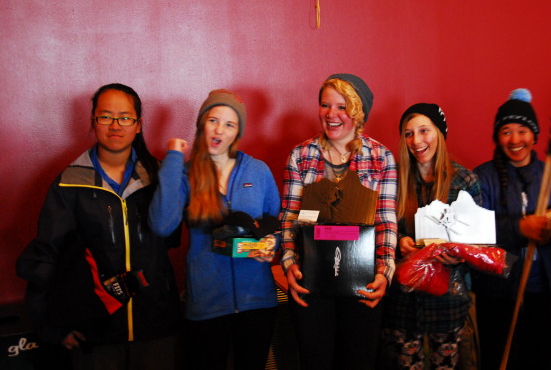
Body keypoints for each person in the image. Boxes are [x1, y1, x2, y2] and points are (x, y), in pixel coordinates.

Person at [16, 83, 181, 370]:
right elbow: (46, 255)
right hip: (95, 329)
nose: (115, 125)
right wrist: (52, 327)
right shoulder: (69, 183)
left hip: (157, 326)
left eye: (125, 117)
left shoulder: (160, 177)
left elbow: (171, 239)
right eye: (105, 116)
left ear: (138, 125)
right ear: (93, 121)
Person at [148, 89, 281, 370]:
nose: (219, 129)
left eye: (229, 124)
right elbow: (161, 224)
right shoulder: (185, 173)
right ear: (201, 125)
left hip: (257, 302)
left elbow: (276, 223)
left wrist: (271, 245)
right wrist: (172, 159)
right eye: (213, 120)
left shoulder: (257, 171)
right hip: (207, 305)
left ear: (237, 133)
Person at [280, 73, 398, 370]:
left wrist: (385, 272)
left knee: (359, 361)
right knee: (314, 361)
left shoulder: (381, 158)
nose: (331, 114)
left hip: (363, 283)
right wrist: (289, 262)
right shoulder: (301, 155)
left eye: (342, 107)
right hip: (311, 283)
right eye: (325, 105)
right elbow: (290, 218)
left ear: (358, 112)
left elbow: (386, 221)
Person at [473, 88, 551, 370]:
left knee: (544, 359)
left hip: (548, 290)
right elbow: (471, 230)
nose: (515, 140)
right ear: (497, 137)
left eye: (522, 131)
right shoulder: (481, 178)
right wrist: (520, 227)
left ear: (534, 135)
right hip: (498, 293)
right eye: (507, 131)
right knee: (502, 359)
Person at [381, 103, 482, 370]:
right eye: (408, 133)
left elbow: (480, 244)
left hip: (448, 304)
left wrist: (459, 256)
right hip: (403, 303)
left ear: (439, 133)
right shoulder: (394, 180)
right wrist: (399, 241)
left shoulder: (465, 182)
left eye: (424, 131)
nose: (417, 140)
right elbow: (382, 229)